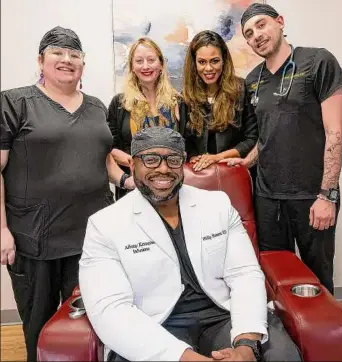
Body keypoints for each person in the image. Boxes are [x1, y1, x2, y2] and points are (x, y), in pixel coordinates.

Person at [79, 127, 301, 362]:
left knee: (281, 356)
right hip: (154, 323)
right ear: (133, 166)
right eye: (150, 159)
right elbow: (111, 311)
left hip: (221, 315)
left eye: (173, 160)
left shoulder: (217, 205)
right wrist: (188, 358)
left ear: (182, 164)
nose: (163, 168)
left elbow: (245, 274)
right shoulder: (104, 225)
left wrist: (246, 347)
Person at [0, 26, 124, 362]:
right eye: (57, 52)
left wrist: (129, 181)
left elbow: (103, 158)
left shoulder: (97, 107)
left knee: (88, 322)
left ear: (83, 64)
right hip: (34, 237)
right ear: (41, 60)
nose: (66, 60)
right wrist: (2, 230)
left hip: (90, 236)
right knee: (39, 327)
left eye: (74, 55)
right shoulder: (14, 102)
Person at [223, 3, 342, 294]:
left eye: (261, 25)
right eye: (249, 32)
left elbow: (335, 133)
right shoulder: (254, 81)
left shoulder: (318, 62)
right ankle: (284, 339)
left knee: (317, 280)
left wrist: (327, 195)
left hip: (311, 195)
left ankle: (322, 339)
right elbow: (265, 136)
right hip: (268, 198)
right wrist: (246, 162)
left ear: (280, 22)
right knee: (275, 277)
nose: (256, 35)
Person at [108, 37, 186, 199]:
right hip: (134, 187)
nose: (145, 66)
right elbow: (109, 148)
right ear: (132, 67)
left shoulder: (177, 102)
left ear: (161, 65)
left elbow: (188, 146)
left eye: (151, 60)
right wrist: (143, 164)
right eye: (139, 61)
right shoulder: (120, 103)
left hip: (172, 186)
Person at [182, 30, 258, 176]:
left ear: (224, 60)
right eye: (202, 62)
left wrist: (217, 158)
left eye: (215, 61)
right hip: (199, 175)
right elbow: (185, 140)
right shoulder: (187, 97)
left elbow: (251, 139)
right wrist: (193, 156)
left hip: (234, 174)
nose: (209, 68)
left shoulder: (241, 89)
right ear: (194, 63)